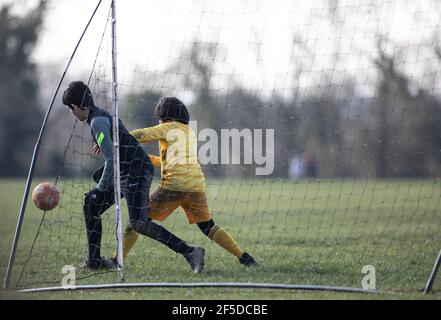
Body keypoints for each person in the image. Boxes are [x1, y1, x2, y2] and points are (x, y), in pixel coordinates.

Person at [62, 81, 205, 273]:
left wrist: (100, 188)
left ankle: (191, 252)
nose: (71, 114)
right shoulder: (102, 116)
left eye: (70, 110)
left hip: (137, 170)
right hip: (125, 172)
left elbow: (111, 159)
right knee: (91, 204)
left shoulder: (97, 122)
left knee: (139, 222)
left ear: (75, 107)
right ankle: (94, 262)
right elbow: (117, 146)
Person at [111, 96, 257, 268]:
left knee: (136, 222)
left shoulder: (168, 127)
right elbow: (172, 161)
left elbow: (142, 134)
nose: (159, 121)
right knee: (208, 226)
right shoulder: (189, 132)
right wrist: (148, 159)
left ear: (165, 117)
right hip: (196, 187)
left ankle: (117, 260)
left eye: (159, 117)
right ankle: (245, 257)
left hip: (174, 186)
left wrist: (117, 138)